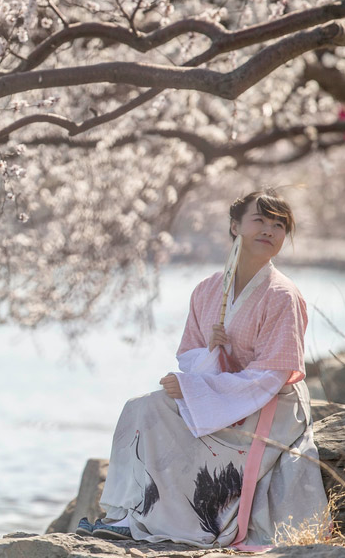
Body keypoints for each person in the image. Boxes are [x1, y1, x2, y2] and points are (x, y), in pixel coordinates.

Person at [75, 189, 328, 548]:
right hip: (223, 396)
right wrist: (213, 354)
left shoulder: (283, 295)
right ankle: (127, 514)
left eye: (279, 225)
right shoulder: (208, 290)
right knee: (143, 407)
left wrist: (197, 390)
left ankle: (173, 522)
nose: (269, 230)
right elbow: (190, 354)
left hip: (271, 406)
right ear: (234, 226)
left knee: (176, 420)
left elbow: (272, 375)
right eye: (259, 220)